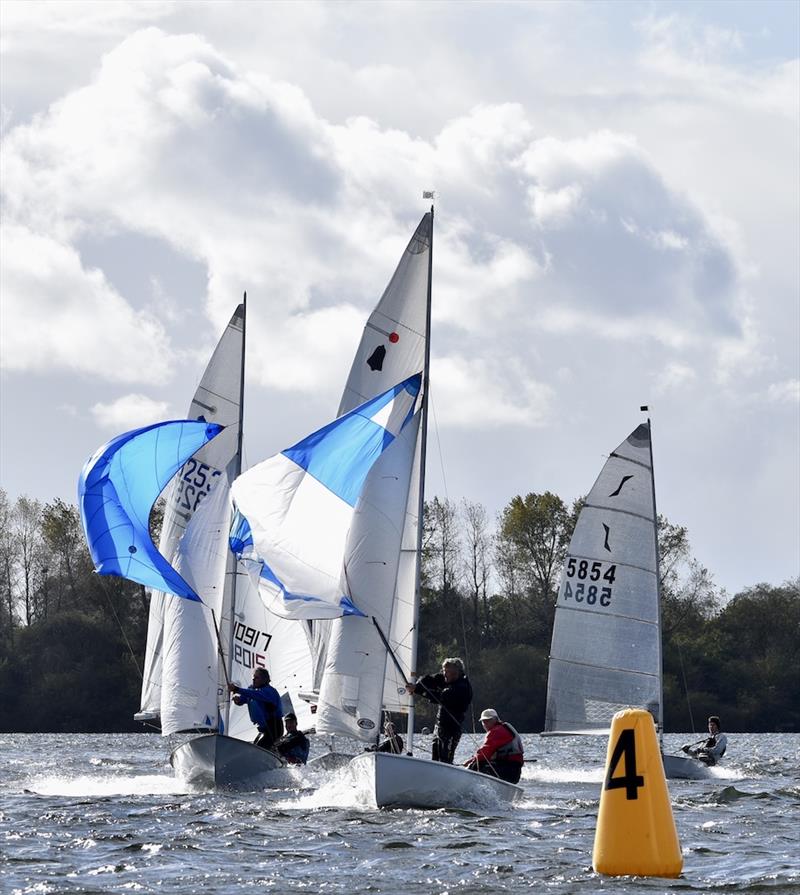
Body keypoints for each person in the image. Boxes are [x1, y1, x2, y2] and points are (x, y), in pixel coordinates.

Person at [406, 657, 472, 764]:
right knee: (435, 758)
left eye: (448, 672)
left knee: (445, 760)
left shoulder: (462, 686)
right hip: (440, 726)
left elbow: (441, 697)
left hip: (452, 728)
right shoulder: (447, 677)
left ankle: (447, 775)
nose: (444, 674)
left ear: (456, 672)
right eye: (444, 671)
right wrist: (417, 685)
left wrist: (418, 690)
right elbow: (428, 679)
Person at [463, 708, 525, 783]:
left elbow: (484, 754)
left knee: (477, 765)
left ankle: (464, 782)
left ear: (496, 720)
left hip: (508, 771)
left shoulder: (496, 731)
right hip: (514, 773)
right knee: (481, 763)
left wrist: (470, 763)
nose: (485, 724)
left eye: (488, 721)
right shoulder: (504, 727)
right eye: (483, 722)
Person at [228, 667, 283, 750]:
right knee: (256, 749)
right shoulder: (252, 689)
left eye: (257, 677)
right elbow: (245, 698)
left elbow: (255, 695)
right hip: (264, 729)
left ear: (265, 679)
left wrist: (237, 689)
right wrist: (238, 700)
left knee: (259, 750)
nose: (253, 679)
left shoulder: (269, 691)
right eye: (253, 677)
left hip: (274, 729)